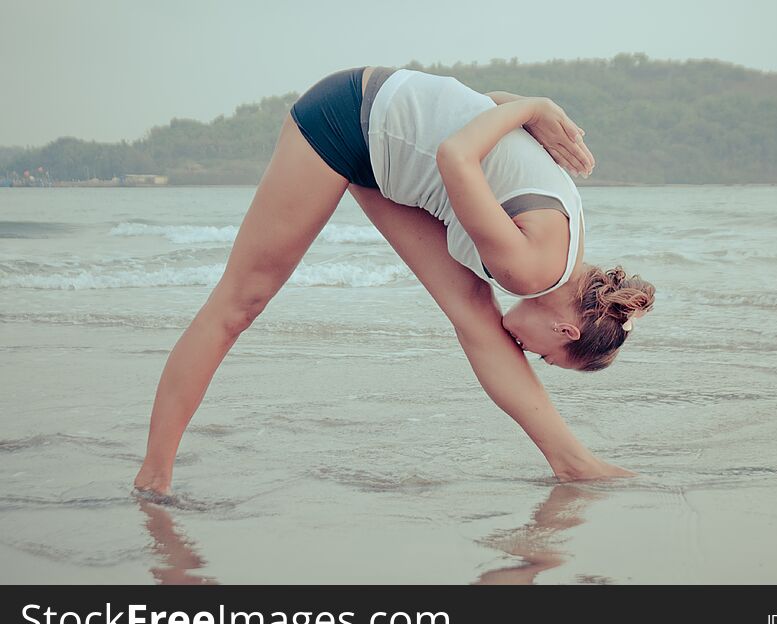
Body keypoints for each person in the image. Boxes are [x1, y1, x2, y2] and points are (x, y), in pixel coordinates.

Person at [134, 66, 655, 497]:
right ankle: (154, 478)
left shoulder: (571, 250)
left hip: (393, 146)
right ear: (567, 330)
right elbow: (455, 155)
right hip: (345, 118)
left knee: (476, 314)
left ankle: (571, 462)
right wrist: (535, 105)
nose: (529, 351)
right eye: (545, 356)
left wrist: (515, 105)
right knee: (240, 304)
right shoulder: (532, 269)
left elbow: (481, 107)